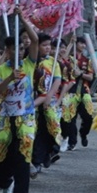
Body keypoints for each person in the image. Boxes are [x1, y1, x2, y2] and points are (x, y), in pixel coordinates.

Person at [0, 13, 40, 193]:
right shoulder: (1, 70)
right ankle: (5, 182)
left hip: (25, 117)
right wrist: (10, 78)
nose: (18, 52)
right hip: (5, 117)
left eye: (21, 48)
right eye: (14, 49)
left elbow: (35, 40)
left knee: (23, 154)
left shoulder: (29, 64)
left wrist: (22, 17)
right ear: (8, 51)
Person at [31, 34, 62, 177]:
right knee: (36, 132)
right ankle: (36, 161)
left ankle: (48, 153)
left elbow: (57, 80)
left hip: (48, 102)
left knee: (50, 130)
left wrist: (49, 96)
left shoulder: (53, 62)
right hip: (32, 100)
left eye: (49, 45)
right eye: (44, 45)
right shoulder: (31, 61)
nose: (48, 48)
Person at [71, 38, 95, 148]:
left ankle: (83, 133)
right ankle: (72, 141)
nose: (83, 45)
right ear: (75, 43)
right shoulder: (69, 58)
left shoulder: (87, 60)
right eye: (81, 43)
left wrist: (80, 74)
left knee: (88, 117)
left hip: (84, 91)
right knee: (71, 118)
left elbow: (90, 77)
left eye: (84, 43)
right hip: (70, 91)